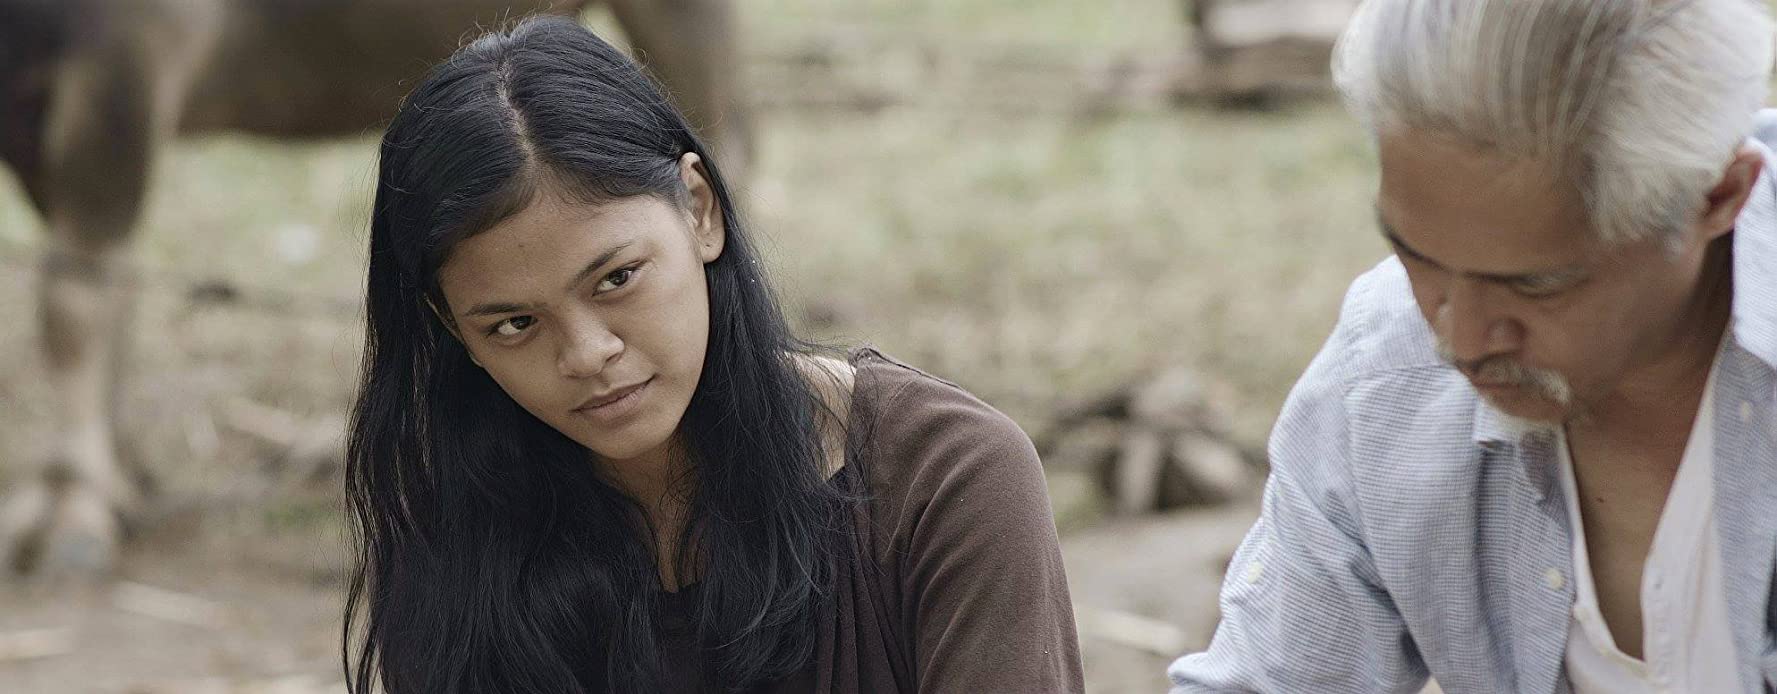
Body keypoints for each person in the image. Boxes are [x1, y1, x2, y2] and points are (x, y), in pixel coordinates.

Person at [341, 17, 1082, 694]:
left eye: (617, 279)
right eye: (513, 324)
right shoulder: (457, 535)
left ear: (699, 209)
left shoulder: (944, 480)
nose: (587, 354)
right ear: (453, 330)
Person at [1169, 1, 1777, 692]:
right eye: (1414, 255)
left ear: (1716, 196)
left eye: (1534, 284)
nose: (1456, 339)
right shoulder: (1386, 375)